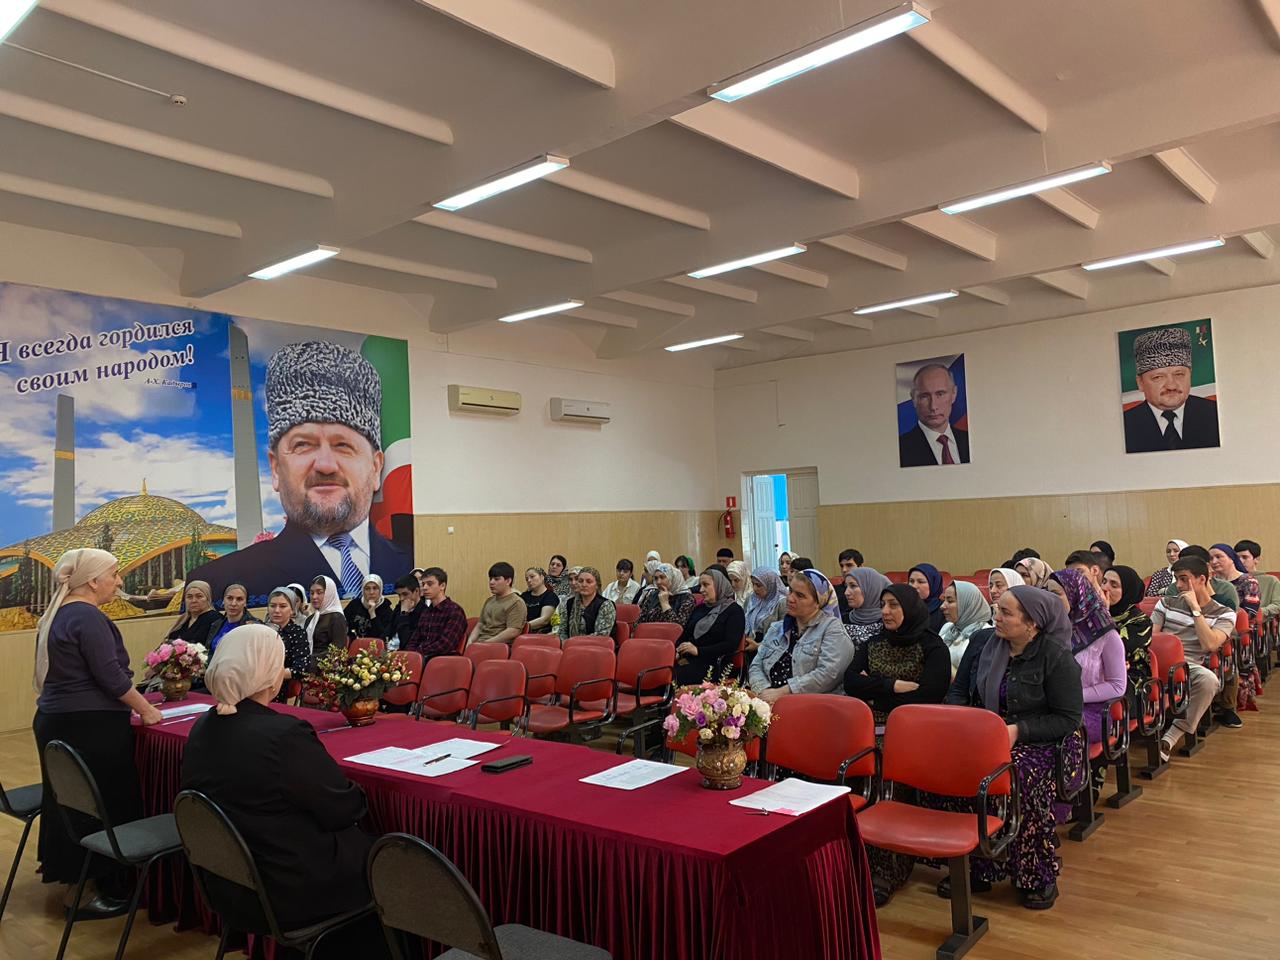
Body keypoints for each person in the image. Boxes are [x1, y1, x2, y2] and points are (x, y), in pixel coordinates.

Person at [180, 626, 376, 936]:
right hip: (289, 888)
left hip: (228, 884)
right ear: (270, 673)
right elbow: (343, 808)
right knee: (393, 857)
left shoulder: (203, 726)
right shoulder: (283, 735)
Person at [187, 341, 411, 602]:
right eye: (303, 445)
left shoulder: (409, 568)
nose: (325, 465)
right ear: (275, 469)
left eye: (343, 445)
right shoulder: (217, 582)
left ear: (375, 468)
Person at [32, 549, 162, 917]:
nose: (119, 581)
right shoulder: (86, 617)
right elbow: (110, 677)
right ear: (92, 581)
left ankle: (78, 881)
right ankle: (86, 890)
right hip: (89, 726)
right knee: (97, 805)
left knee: (72, 802)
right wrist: (146, 709)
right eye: (114, 574)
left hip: (58, 720)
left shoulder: (60, 613)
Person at [945, 585, 1082, 910]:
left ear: (1032, 623)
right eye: (997, 610)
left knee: (1016, 777)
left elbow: (1067, 719)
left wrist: (1019, 730)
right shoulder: (984, 643)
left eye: (1006, 613)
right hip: (989, 732)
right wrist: (963, 724)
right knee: (953, 768)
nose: (997, 617)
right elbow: (960, 692)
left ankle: (1036, 874)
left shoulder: (1055, 656)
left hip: (1045, 741)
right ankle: (978, 866)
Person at [844, 583, 950, 905]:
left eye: (893, 605)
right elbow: (851, 682)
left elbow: (929, 694)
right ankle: (854, 862)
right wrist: (893, 685)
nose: (885, 612)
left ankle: (886, 873)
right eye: (883, 604)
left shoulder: (932, 646)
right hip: (871, 729)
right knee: (847, 774)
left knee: (884, 781)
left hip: (915, 733)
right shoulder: (874, 642)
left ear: (910, 608)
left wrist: (875, 692)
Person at [1152, 557, 1234, 759]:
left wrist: (1195, 609)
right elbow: (1152, 639)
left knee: (1209, 680)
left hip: (1188, 666)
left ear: (1202, 579)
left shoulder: (1224, 613)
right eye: (1176, 579)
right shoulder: (1166, 603)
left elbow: (1210, 645)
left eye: (1183, 579)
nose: (1178, 585)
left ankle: (1171, 736)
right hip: (1157, 661)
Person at [1047, 570, 1126, 752]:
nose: (1050, 599)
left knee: (1053, 732)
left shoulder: (1105, 633)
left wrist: (1074, 696)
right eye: (1048, 593)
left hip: (1090, 711)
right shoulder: (1049, 629)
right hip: (1053, 705)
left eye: (1056, 594)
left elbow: (1117, 686)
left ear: (1076, 595)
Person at [748, 570, 855, 701]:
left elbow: (828, 674)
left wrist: (784, 692)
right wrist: (763, 691)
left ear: (818, 602)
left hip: (813, 705)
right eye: (791, 591)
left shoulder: (832, 630)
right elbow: (756, 665)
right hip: (768, 701)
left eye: (800, 595)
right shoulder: (777, 628)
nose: (790, 598)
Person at [1122, 326, 1220, 453]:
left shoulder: (1216, 414)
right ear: (1140, 383)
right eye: (1158, 377)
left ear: (1190, 375)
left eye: (1179, 374)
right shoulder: (1124, 425)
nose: (1171, 386)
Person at [674, 568, 748, 685]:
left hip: (716, 663)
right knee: (660, 672)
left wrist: (699, 651)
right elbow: (685, 635)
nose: (701, 590)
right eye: (700, 585)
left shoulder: (734, 611)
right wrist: (678, 650)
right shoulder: (700, 609)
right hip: (691, 659)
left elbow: (731, 644)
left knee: (672, 678)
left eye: (706, 585)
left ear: (719, 586)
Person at [1209, 543, 1256, 721]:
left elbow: (1250, 612)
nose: (1214, 561)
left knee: (1226, 645)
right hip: (1215, 627)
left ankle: (1227, 705)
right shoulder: (1209, 582)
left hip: (1238, 629)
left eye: (1219, 557)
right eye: (1211, 558)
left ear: (1231, 558)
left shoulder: (1247, 581)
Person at [899, 363, 970, 467]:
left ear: (954, 394)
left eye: (940, 394)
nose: (933, 406)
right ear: (913, 399)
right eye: (924, 396)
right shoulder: (901, 448)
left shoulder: (970, 440)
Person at [1102, 565, 1153, 687]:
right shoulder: (1091, 614)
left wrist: (1103, 614)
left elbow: (1114, 652)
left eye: (1114, 585)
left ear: (1127, 592)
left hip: (1130, 677)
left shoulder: (1140, 622)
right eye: (1103, 582)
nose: (1104, 588)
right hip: (1095, 672)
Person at [404, 567, 467, 660]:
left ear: (442, 586)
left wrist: (417, 653)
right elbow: (414, 640)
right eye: (423, 584)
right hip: (422, 658)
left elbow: (446, 645)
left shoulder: (455, 611)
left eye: (429, 584)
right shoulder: (426, 612)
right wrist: (411, 654)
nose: (424, 588)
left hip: (442, 660)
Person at [939, 580, 991, 676]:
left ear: (968, 604)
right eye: (944, 600)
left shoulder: (985, 634)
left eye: (950, 601)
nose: (942, 606)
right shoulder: (948, 627)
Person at [265, 586, 313, 691]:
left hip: (280, 686)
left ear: (292, 610)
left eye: (283, 606)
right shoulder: (261, 630)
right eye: (272, 606)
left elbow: (301, 668)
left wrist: (271, 675)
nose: (276, 610)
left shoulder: (297, 633)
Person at [467, 563, 526, 646]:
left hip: (499, 646)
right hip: (481, 644)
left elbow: (513, 631)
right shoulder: (489, 601)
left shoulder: (516, 602)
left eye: (496, 579)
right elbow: (480, 625)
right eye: (490, 579)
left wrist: (485, 644)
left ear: (508, 581)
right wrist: (469, 642)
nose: (491, 582)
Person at [557, 566, 616, 643]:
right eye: (580, 581)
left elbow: (601, 635)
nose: (584, 584)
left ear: (597, 585)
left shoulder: (606, 605)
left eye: (589, 581)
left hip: (597, 646)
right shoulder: (569, 603)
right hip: (570, 646)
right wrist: (565, 642)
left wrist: (575, 643)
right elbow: (562, 630)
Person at [204, 583, 261, 659]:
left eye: (239, 599)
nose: (233, 603)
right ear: (223, 601)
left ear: (245, 603)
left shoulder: (254, 626)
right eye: (229, 598)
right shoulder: (216, 624)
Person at [842, 567, 893, 652]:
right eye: (846, 586)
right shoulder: (841, 621)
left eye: (853, 586)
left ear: (871, 588)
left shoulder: (888, 622)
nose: (846, 592)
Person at [1233, 539, 1280, 622]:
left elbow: (1277, 604)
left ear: (1256, 559)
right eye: (1237, 558)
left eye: (1245, 557)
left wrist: (1259, 612)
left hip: (1261, 622)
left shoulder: (1271, 580)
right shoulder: (1232, 579)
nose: (1240, 561)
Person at [743, 566, 787, 653]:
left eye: (759, 585)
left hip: (771, 650)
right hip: (749, 646)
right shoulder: (751, 599)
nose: (755, 588)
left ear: (770, 584)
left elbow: (783, 634)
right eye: (753, 584)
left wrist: (759, 646)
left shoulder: (782, 603)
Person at [166, 580, 219, 645]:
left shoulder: (215, 619)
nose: (194, 601)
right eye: (189, 597)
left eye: (199, 596)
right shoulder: (182, 620)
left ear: (208, 598)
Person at [306, 576, 348, 656]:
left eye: (319, 593)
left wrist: (309, 660)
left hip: (324, 663)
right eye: (312, 593)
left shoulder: (337, 618)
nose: (314, 597)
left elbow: (337, 651)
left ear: (329, 593)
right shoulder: (310, 619)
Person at [343, 574, 392, 641]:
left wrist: (372, 614)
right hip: (355, 646)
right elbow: (343, 628)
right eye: (367, 589)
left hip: (376, 646)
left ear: (380, 590)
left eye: (375, 588)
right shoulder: (354, 605)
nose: (371, 592)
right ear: (363, 591)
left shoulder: (386, 609)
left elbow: (384, 638)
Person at [387, 574, 425, 651]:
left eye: (405, 594)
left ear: (417, 591)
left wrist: (404, 614)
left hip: (407, 654)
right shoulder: (399, 608)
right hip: (389, 651)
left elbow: (407, 642)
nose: (401, 598)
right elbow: (388, 631)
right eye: (399, 595)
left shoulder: (424, 612)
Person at [519, 567, 560, 634]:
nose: (529, 580)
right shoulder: (524, 596)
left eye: (532, 577)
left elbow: (544, 620)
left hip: (541, 634)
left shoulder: (550, 596)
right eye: (527, 579)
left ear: (542, 577)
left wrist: (523, 627)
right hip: (521, 632)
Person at [907, 563, 946, 632]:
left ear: (933, 584)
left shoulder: (944, 609)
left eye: (920, 582)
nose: (914, 586)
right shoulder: (902, 606)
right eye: (911, 581)